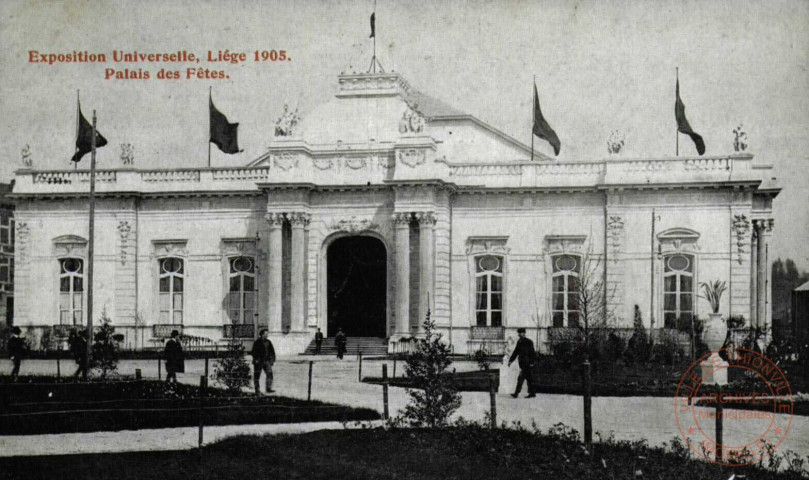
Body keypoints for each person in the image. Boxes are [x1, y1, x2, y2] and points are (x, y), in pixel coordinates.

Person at [508, 328, 536, 398]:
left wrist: (532, 362)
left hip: (528, 364)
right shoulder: (519, 342)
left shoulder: (529, 342)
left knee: (521, 378)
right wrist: (510, 360)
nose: (519, 334)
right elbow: (516, 352)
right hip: (522, 364)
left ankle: (516, 393)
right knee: (529, 379)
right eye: (519, 333)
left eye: (521, 333)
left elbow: (532, 353)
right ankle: (532, 393)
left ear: (524, 333)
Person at [250, 329, 276, 395]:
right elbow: (253, 352)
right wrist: (256, 359)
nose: (267, 335)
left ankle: (268, 388)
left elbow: (272, 351)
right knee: (257, 376)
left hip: (267, 361)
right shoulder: (257, 342)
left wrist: (272, 360)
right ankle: (257, 390)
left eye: (267, 333)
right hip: (259, 362)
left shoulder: (269, 342)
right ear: (262, 334)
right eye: (266, 333)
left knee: (270, 374)